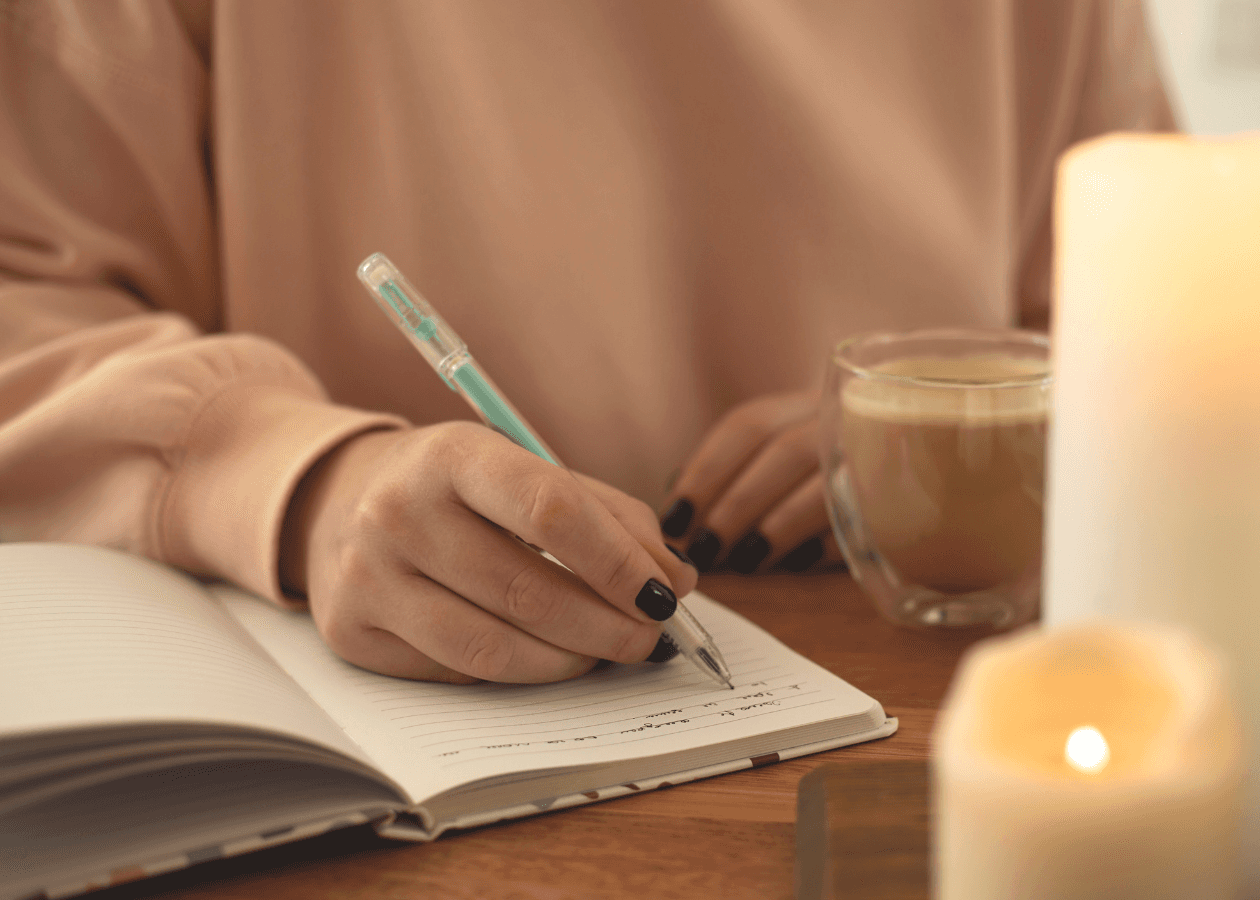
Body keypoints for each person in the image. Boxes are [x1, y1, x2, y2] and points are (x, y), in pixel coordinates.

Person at [0, 0, 1174, 684]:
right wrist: (304, 482)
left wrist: (952, 433)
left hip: (937, 693)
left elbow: (1164, 311)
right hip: (380, 724)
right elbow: (32, 300)